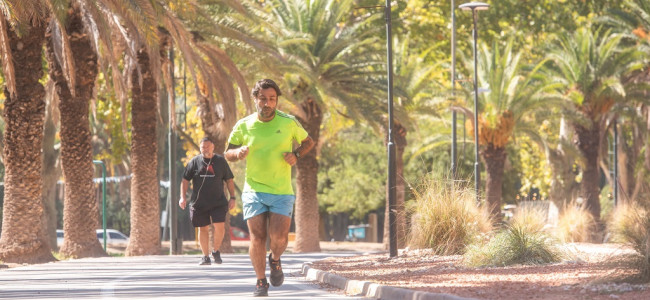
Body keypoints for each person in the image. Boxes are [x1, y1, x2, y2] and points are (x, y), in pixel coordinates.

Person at [225, 79, 315, 297]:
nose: (267, 103)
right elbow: (227, 152)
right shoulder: (244, 124)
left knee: (279, 237)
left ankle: (275, 260)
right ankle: (260, 281)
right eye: (263, 98)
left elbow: (308, 142)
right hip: (253, 190)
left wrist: (296, 155)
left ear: (276, 100)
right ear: (255, 99)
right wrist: (238, 154)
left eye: (272, 99)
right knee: (257, 237)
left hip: (282, 191)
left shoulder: (288, 122)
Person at [179, 137, 236, 265]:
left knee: (219, 227)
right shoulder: (194, 162)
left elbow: (229, 180)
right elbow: (185, 180)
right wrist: (182, 197)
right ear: (200, 148)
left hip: (218, 202)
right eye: (203, 147)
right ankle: (205, 257)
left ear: (213, 147)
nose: (205, 149)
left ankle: (215, 251)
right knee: (202, 229)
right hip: (199, 203)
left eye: (208, 147)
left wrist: (232, 197)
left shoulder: (220, 161)